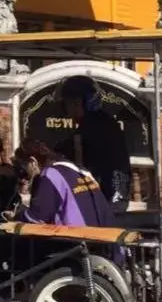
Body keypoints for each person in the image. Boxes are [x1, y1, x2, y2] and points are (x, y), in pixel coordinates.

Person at [56, 75, 132, 212]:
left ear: (78, 102)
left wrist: (49, 153)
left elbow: (70, 153)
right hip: (115, 195)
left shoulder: (92, 126)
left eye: (67, 102)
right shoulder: (104, 121)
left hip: (105, 198)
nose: (65, 107)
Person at [13, 138, 114, 228]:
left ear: (32, 161)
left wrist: (18, 214)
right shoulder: (81, 170)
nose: (26, 176)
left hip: (79, 244)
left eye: (23, 167)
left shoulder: (50, 175)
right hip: (106, 241)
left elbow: (36, 219)